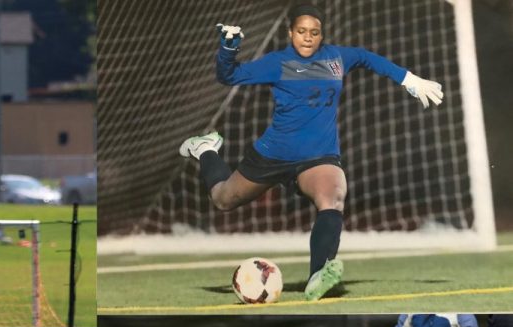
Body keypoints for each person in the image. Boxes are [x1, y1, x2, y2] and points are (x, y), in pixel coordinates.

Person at [179, 4, 443, 301]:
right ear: (290, 32)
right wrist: (228, 49)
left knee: (333, 198)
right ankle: (205, 150)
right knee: (222, 199)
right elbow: (229, 77)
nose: (307, 38)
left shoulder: (337, 58)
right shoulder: (277, 63)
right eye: (301, 31)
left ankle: (318, 275)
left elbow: (368, 58)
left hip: (318, 157)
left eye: (314, 32)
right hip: (272, 155)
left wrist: (408, 80)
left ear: (322, 35)